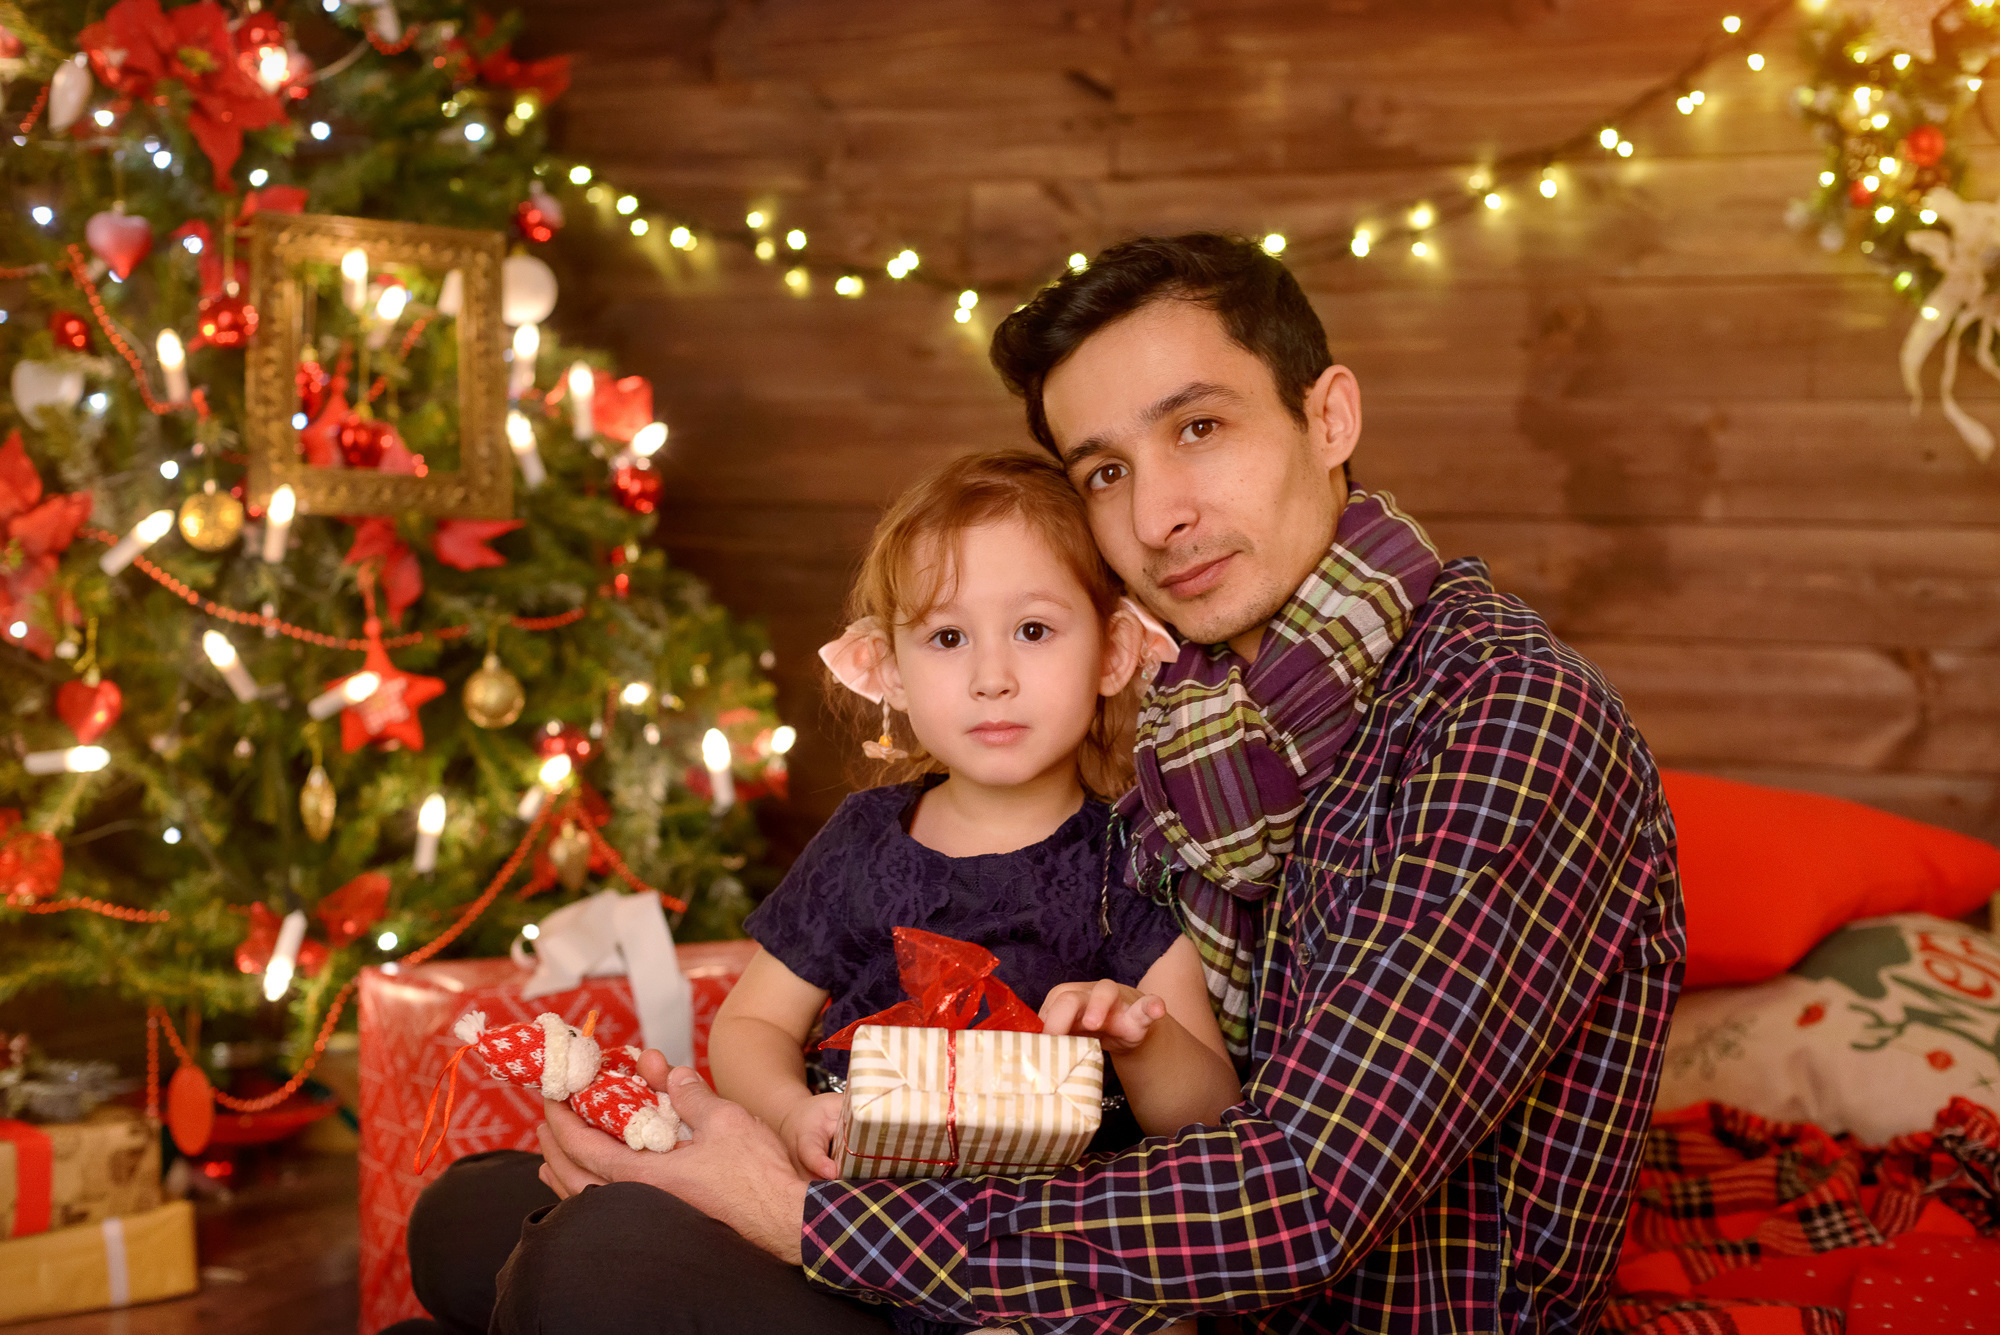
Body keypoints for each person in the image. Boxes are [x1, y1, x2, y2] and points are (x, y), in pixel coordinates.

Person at [416, 232, 1684, 1335]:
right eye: (1105, 472)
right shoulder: (1195, 731)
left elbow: (1296, 1198)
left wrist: (787, 1212)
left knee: (592, 1265)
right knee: (472, 1223)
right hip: (1019, 1218)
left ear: (1328, 416)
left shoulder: (1501, 719)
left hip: (1291, 1308)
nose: (1159, 514)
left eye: (1199, 427)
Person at [395, 452, 1238, 1335]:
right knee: (459, 1216)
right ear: (892, 671)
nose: (993, 675)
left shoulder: (1129, 855)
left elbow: (1214, 1115)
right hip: (812, 1229)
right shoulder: (870, 839)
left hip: (998, 1283)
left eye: (1033, 630)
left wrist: (1138, 1037)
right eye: (948, 638)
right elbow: (753, 1026)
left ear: (1113, 651)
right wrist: (793, 1111)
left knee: (584, 1255)